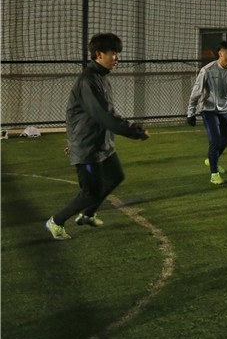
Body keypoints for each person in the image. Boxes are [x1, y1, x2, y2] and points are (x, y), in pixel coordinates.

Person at [45, 33, 150, 240]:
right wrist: (134, 131)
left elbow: (107, 113)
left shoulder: (101, 78)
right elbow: (103, 115)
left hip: (101, 143)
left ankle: (88, 214)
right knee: (89, 193)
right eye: (113, 53)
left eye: (118, 53)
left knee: (116, 176)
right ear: (99, 54)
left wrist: (132, 129)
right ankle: (56, 221)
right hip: (87, 147)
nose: (117, 58)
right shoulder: (88, 81)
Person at [187, 40, 227, 185]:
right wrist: (190, 113)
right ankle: (214, 174)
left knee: (226, 140)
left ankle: (211, 159)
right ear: (220, 53)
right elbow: (195, 93)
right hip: (209, 110)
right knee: (215, 140)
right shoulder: (207, 70)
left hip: (226, 110)